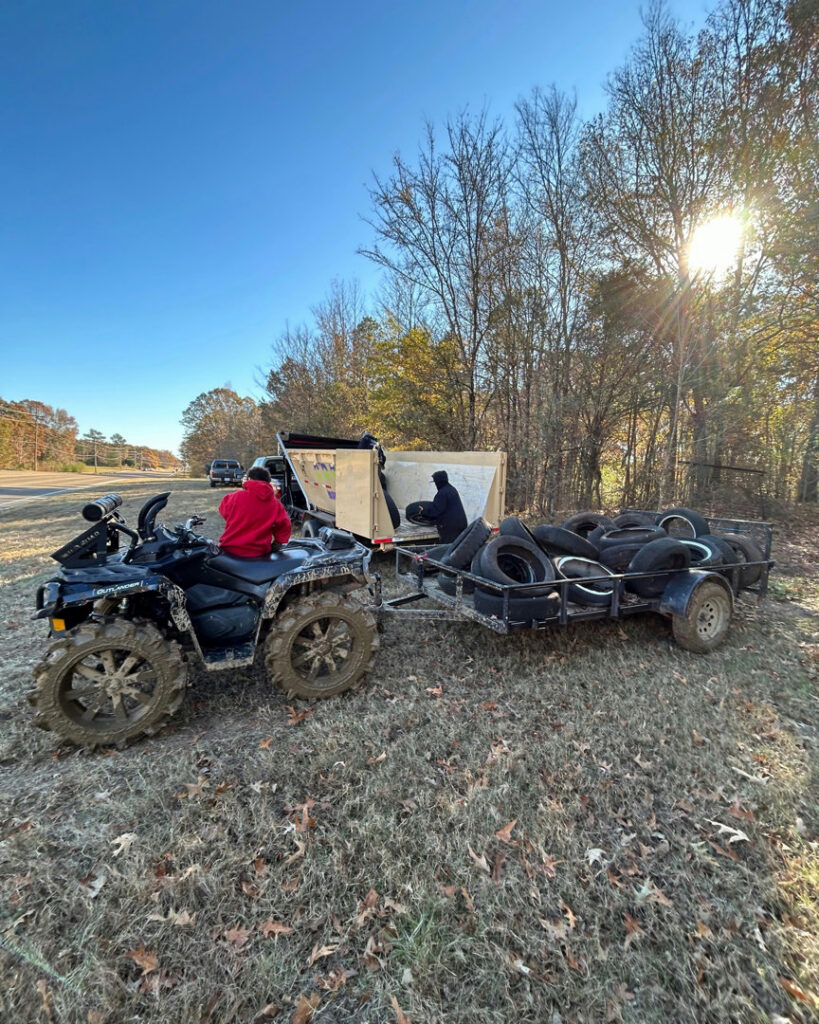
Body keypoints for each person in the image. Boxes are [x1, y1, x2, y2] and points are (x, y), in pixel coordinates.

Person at [218, 466, 291, 557]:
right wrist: (278, 542)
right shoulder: (276, 504)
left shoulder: (235, 497)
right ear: (268, 482)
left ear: (249, 479)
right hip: (259, 554)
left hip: (229, 551)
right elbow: (285, 525)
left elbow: (223, 511)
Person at [423, 470, 467, 544]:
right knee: (457, 549)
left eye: (435, 482)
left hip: (450, 529)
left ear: (438, 482)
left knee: (447, 550)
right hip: (460, 525)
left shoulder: (441, 494)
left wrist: (424, 512)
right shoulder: (452, 489)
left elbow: (436, 510)